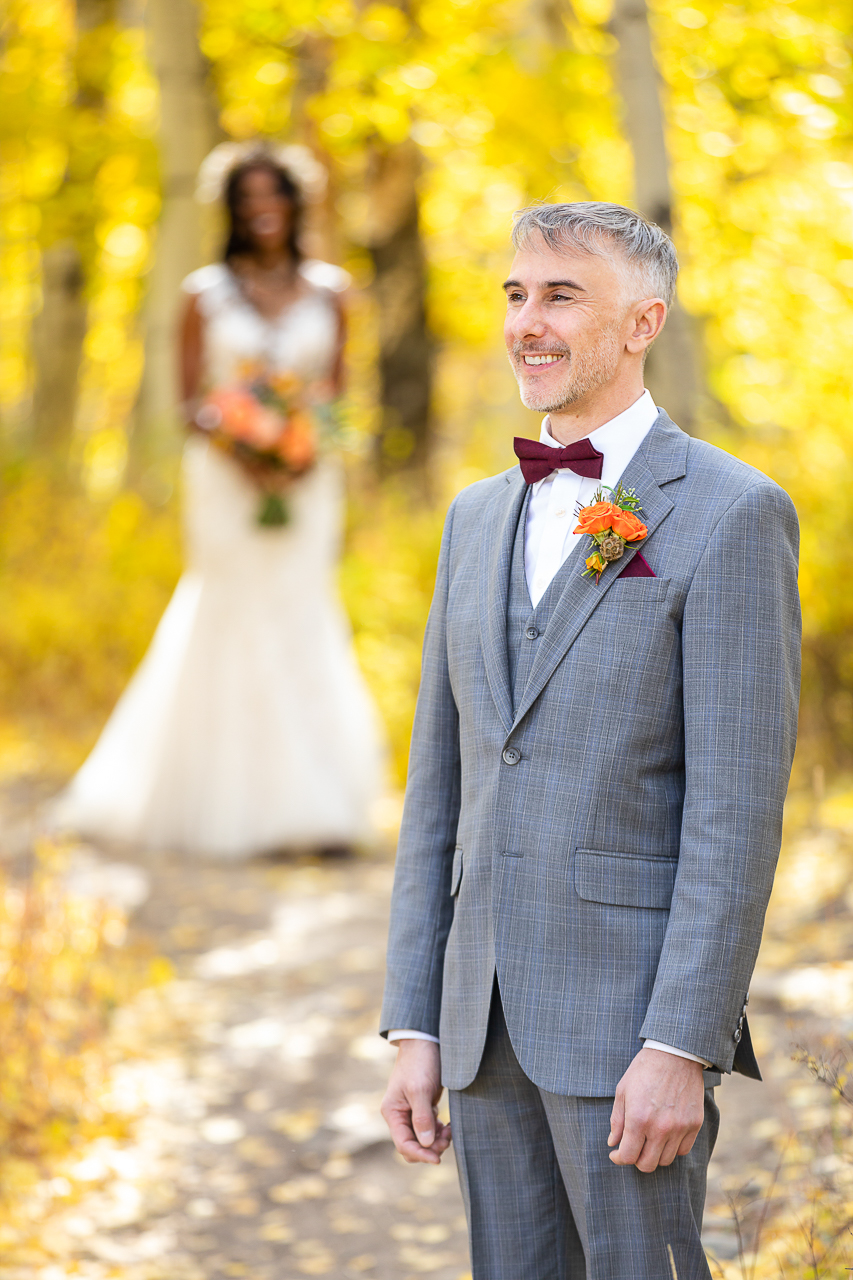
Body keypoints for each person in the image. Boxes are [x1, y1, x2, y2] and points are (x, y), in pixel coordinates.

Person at [379, 202, 800, 1278]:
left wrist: (680, 1041)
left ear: (642, 320)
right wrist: (414, 1021)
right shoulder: (475, 516)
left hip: (627, 1029)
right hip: (478, 1026)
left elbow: (733, 813)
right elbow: (440, 790)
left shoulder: (729, 512)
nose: (528, 320)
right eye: (516, 293)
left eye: (562, 295)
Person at [54, 144, 383, 859]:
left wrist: (299, 453)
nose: (262, 210)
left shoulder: (331, 291)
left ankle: (314, 805)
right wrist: (244, 446)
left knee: (301, 608)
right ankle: (218, 802)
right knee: (228, 608)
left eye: (274, 195)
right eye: (247, 198)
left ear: (296, 204)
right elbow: (188, 403)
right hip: (223, 479)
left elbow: (335, 398)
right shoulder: (204, 294)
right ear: (231, 208)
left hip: (307, 482)